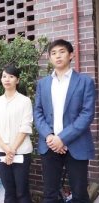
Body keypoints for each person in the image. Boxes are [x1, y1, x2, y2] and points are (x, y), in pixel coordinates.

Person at [34, 39, 96, 203]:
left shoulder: (85, 82)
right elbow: (38, 112)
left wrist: (62, 138)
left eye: (62, 51)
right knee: (49, 195)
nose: (57, 56)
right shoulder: (43, 84)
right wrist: (49, 136)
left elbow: (87, 114)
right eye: (53, 53)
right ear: (49, 58)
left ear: (71, 55)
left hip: (76, 145)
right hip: (49, 146)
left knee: (80, 195)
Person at [0, 65, 33, 203]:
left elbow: (25, 127)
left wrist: (12, 149)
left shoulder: (25, 101)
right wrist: (6, 149)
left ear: (17, 80)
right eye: (4, 76)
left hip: (21, 151)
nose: (7, 79)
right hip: (2, 151)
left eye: (11, 76)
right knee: (9, 190)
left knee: (22, 191)